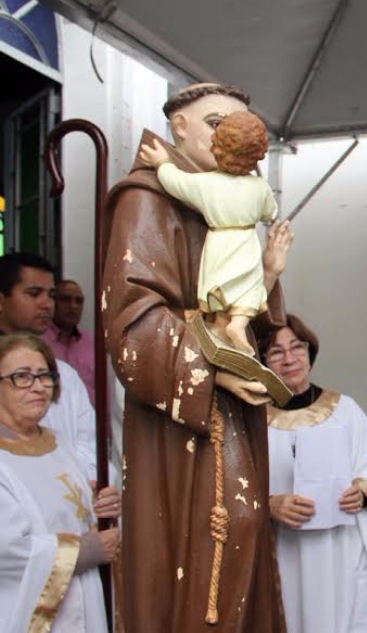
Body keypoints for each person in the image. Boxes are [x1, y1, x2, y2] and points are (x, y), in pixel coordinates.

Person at [101, 83, 292, 632]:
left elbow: (245, 299)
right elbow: (131, 320)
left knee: (244, 532)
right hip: (181, 417)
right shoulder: (147, 199)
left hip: (229, 402)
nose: (226, 135)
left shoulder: (223, 195)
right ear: (177, 128)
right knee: (218, 534)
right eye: (213, 122)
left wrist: (269, 275)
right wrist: (215, 371)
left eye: (237, 127)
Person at [255, 314, 367, 633]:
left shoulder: (344, 410)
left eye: (297, 347)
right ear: (263, 362)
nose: (290, 359)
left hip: (344, 548)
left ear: (309, 352)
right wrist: (269, 504)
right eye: (276, 352)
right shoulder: (254, 421)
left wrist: (364, 489)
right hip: (286, 552)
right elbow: (232, 487)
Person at [0, 333, 120, 632]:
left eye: (45, 375)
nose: (39, 386)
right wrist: (85, 550)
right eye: (22, 377)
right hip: (21, 609)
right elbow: (8, 549)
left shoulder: (59, 442)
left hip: (84, 598)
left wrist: (105, 506)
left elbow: (74, 513)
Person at [138, 110, 278, 356]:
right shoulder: (259, 187)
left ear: (219, 146)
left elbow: (176, 183)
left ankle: (224, 329)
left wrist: (161, 161)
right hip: (245, 242)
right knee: (249, 288)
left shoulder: (207, 183)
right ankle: (239, 324)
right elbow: (271, 212)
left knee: (220, 288)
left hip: (219, 243)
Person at [0, 253, 100, 483]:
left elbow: (89, 449)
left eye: (50, 295)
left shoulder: (64, 375)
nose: (47, 304)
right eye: (34, 294)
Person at [43, 278, 95, 402]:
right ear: (53, 302)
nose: (73, 306)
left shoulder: (93, 344)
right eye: (66, 299)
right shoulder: (39, 341)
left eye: (79, 301)